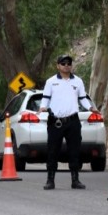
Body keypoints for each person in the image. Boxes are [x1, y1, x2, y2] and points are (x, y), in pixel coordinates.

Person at [38, 54, 101, 190]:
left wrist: (91, 108)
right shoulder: (51, 81)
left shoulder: (77, 81)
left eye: (69, 63)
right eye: (63, 63)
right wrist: (43, 107)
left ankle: (75, 180)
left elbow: (82, 98)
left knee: (74, 151)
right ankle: (50, 180)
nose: (66, 66)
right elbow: (45, 98)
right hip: (56, 122)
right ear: (58, 66)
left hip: (73, 121)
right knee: (53, 151)